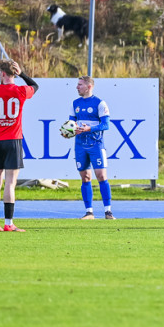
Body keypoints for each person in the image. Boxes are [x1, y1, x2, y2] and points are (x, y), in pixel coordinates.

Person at [0, 59, 39, 232]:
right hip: (13, 140)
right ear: (14, 73)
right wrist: (22, 74)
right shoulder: (21, 91)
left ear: (3, 73)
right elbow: (35, 85)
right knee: (10, 183)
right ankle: (8, 223)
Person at [68, 76, 115, 220]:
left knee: (101, 176)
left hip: (96, 145)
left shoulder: (100, 103)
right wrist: (68, 132)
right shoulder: (75, 103)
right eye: (77, 84)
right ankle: (89, 212)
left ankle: (108, 212)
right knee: (85, 177)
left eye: (80, 85)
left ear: (89, 86)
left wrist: (90, 128)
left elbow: (105, 125)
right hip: (80, 145)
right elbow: (71, 124)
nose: (77, 87)